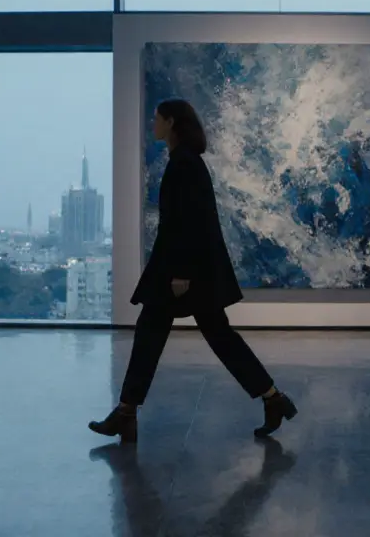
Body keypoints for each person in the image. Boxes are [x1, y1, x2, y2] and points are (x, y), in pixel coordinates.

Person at [89, 99, 297, 441]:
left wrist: (181, 273)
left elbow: (188, 222)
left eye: (157, 118)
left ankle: (127, 413)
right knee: (208, 336)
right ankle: (273, 398)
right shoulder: (185, 161)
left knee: (163, 335)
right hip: (189, 270)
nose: (152, 123)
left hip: (183, 272)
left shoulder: (184, 164)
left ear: (171, 122)